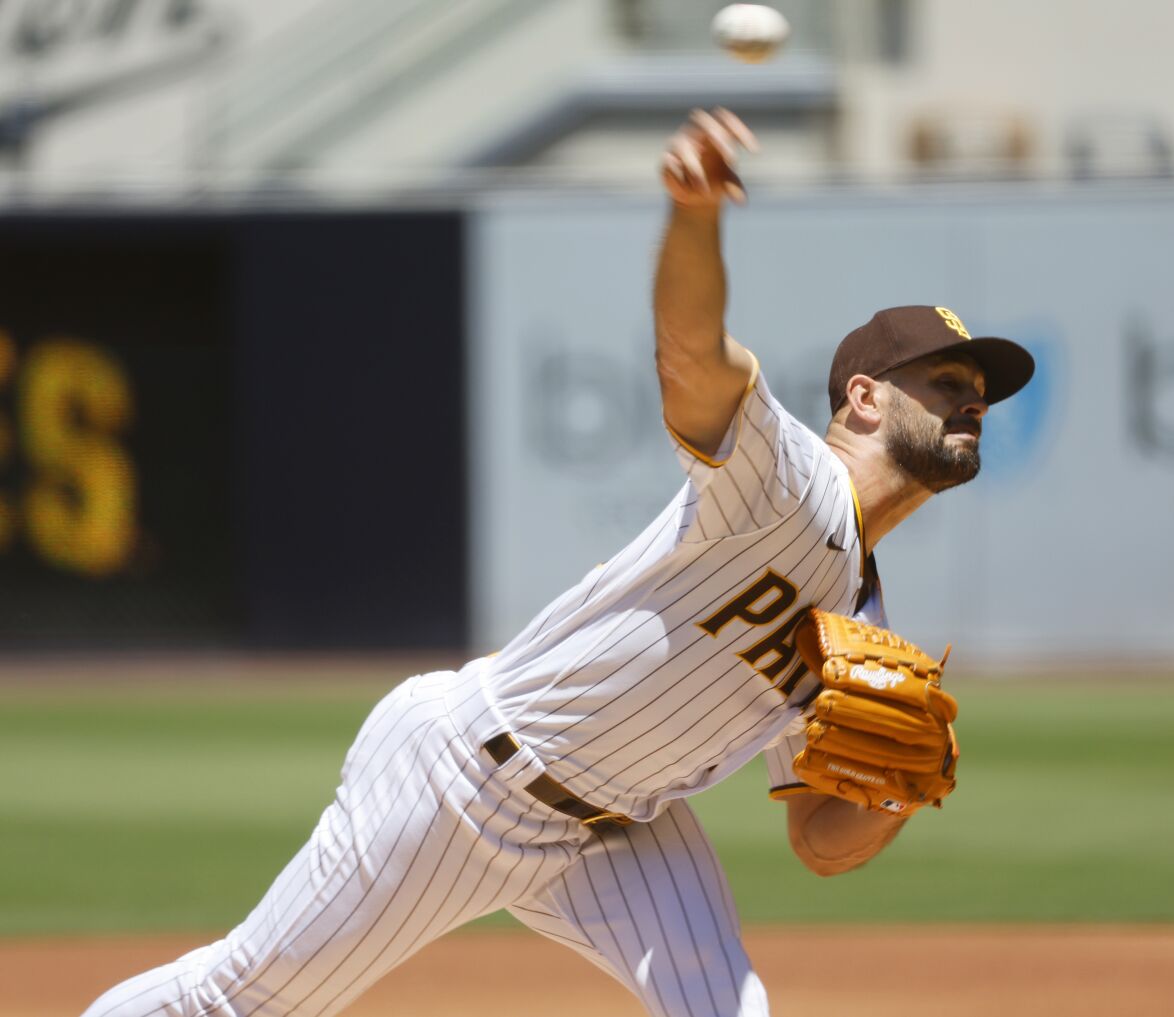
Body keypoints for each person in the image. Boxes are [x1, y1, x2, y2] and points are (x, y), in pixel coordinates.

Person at [83, 108, 1034, 1017]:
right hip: (467, 780)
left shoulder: (861, 613)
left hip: (616, 827)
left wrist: (902, 787)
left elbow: (820, 842)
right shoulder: (791, 483)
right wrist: (695, 215)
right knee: (243, 996)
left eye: (980, 392)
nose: (971, 403)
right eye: (947, 382)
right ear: (864, 398)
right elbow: (693, 358)